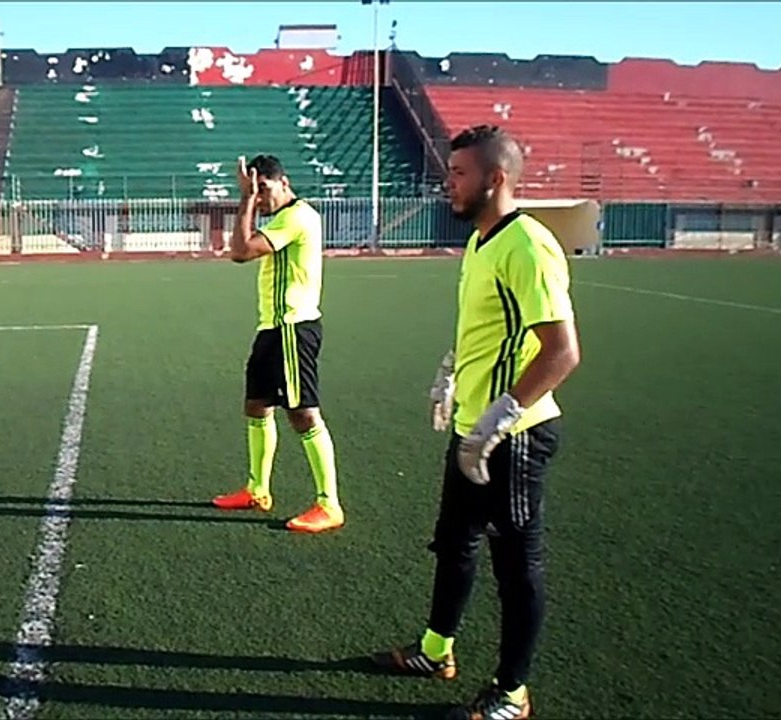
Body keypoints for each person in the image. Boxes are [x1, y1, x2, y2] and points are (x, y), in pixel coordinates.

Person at [370, 125, 581, 720]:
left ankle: (512, 692)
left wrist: (500, 417)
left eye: (460, 173)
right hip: (473, 426)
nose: (449, 182)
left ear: (496, 178)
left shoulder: (528, 245)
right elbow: (487, 328)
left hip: (513, 438)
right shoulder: (483, 242)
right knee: (454, 543)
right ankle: (436, 652)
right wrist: (451, 370)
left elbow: (561, 350)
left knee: (517, 566)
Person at [211, 154, 343, 534]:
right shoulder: (285, 217)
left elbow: (239, 251)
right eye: (257, 190)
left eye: (265, 189)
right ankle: (257, 489)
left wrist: (246, 200)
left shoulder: (297, 217)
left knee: (303, 413)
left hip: (293, 327)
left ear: (283, 182)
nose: (262, 197)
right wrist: (252, 198)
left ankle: (329, 503)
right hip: (272, 328)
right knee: (256, 406)